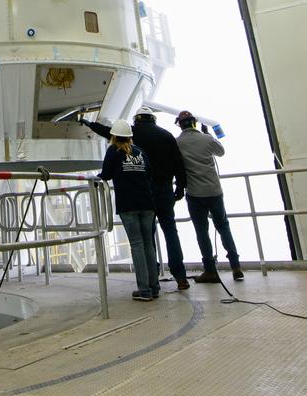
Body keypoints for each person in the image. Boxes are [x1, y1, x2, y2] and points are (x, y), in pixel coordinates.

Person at [80, 106, 190, 291]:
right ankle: (180, 276)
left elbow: (109, 133)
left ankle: (150, 278)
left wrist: (90, 124)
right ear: (153, 119)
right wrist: (180, 188)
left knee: (146, 238)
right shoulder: (166, 135)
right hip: (164, 190)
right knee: (170, 231)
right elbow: (178, 163)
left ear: (137, 119)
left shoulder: (132, 136)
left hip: (142, 192)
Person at [174, 110, 243, 283]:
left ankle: (210, 271)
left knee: (202, 232)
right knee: (224, 228)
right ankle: (236, 267)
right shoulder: (206, 139)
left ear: (180, 125)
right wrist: (208, 134)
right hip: (214, 191)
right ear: (194, 123)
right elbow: (221, 152)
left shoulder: (177, 143)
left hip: (195, 193)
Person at [100, 119, 159, 301]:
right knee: (148, 243)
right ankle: (154, 287)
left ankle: (144, 290)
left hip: (128, 204)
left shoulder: (113, 151)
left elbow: (106, 174)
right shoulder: (140, 152)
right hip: (147, 203)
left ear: (114, 136)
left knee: (137, 245)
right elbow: (149, 173)